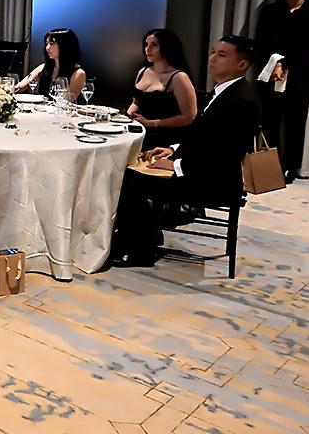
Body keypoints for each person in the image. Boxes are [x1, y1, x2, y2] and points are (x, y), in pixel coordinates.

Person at [111, 36, 262, 266]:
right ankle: (140, 235)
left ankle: (140, 249)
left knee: (130, 177)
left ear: (242, 64)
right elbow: (204, 137)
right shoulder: (224, 92)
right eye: (213, 52)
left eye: (222, 55)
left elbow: (225, 153)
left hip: (214, 181)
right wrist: (172, 149)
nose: (212, 59)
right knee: (132, 167)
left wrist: (177, 165)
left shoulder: (242, 101)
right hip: (200, 167)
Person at [254, 0, 309, 182]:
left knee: (296, 119)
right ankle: (270, 166)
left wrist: (283, 62)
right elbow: (261, 40)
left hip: (300, 71)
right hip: (269, 69)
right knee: (270, 119)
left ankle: (291, 167)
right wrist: (274, 62)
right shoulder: (270, 11)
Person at [127, 28, 199, 151]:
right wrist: (127, 117)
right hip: (140, 128)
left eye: (154, 45)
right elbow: (136, 102)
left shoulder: (178, 77)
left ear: (167, 47)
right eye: (146, 44)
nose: (147, 50)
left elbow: (189, 116)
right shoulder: (143, 71)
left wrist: (153, 123)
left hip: (165, 135)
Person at [17, 28, 86, 101]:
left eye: (52, 44)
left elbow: (68, 101)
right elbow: (20, 87)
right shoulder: (44, 67)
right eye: (46, 44)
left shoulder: (78, 73)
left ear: (65, 45)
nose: (47, 48)